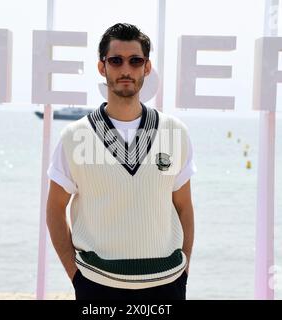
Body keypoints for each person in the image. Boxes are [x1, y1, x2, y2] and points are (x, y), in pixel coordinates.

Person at [46, 23, 197, 300]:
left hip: (166, 283)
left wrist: (184, 272)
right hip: (97, 283)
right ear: (102, 67)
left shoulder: (174, 132)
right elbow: (55, 208)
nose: (125, 70)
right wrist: (77, 276)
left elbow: (184, 207)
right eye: (116, 61)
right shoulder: (75, 136)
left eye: (135, 61)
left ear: (146, 67)